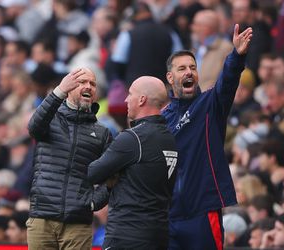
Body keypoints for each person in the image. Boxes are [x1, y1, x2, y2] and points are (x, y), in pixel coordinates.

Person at [162, 23, 252, 249]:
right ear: (170, 78)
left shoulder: (210, 104)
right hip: (168, 215)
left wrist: (236, 56)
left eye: (192, 67)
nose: (189, 72)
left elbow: (227, 82)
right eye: (182, 69)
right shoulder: (162, 118)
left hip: (202, 211)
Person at [88, 76, 178, 249]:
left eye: (130, 94)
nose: (126, 99)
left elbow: (92, 173)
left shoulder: (132, 138)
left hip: (127, 235)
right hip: (158, 234)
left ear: (142, 99)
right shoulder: (169, 138)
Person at [27, 68, 112, 250]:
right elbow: (33, 128)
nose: (88, 86)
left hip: (78, 223)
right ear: (69, 87)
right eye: (81, 82)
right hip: (42, 217)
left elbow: (113, 177)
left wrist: (93, 202)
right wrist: (58, 91)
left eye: (92, 83)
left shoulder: (102, 133)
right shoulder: (50, 120)